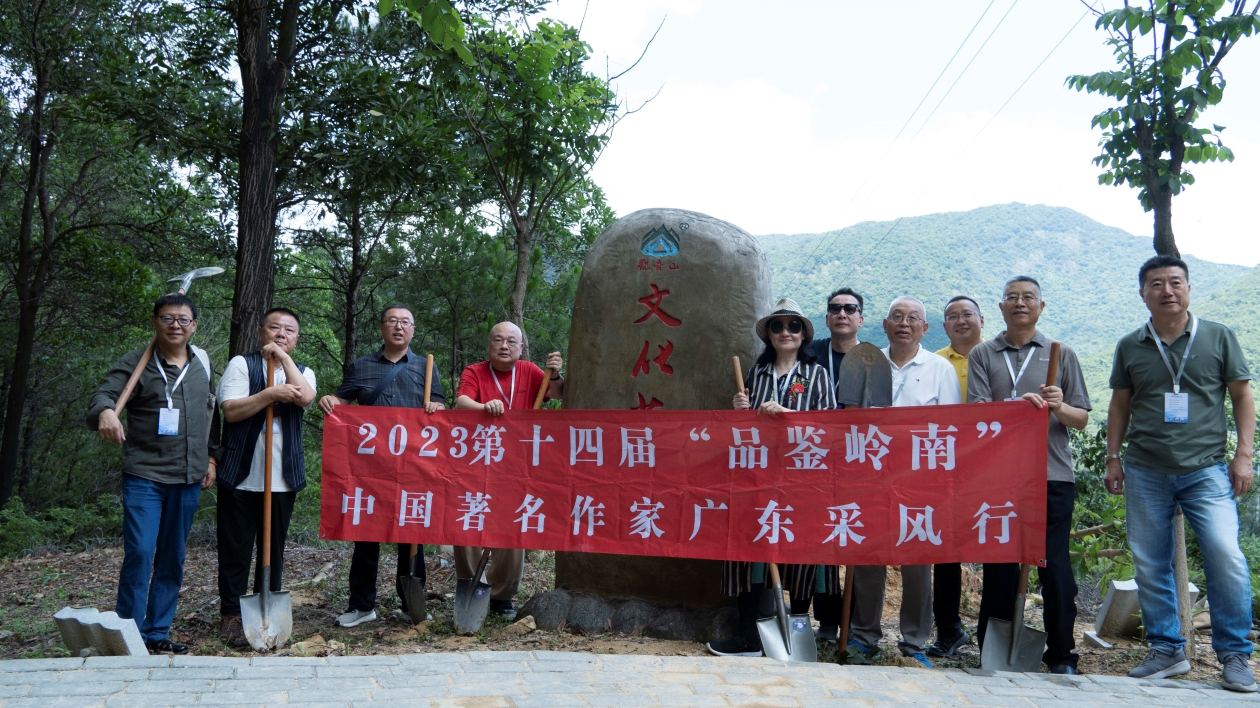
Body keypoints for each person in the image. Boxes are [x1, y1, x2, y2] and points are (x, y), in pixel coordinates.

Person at [1106, 255, 1256, 691]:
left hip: (1206, 469)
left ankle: (1234, 655)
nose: (1167, 290)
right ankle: (1167, 650)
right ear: (1143, 293)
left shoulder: (1217, 337)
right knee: (1150, 563)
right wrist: (1113, 457)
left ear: (1189, 288)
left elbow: (1243, 397)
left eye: (1175, 282)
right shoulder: (1130, 344)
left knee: (1225, 555)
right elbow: (1120, 404)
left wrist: (1242, 455)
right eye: (1156, 284)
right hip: (1145, 467)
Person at [969, 276, 1090, 675]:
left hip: (1052, 473)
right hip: (999, 476)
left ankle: (1061, 655)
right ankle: (992, 650)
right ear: (1000, 308)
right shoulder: (984, 354)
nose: (1020, 303)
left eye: (1028, 298)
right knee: (1000, 564)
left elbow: (1082, 419)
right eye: (1012, 298)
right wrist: (1016, 406)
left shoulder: (1062, 353)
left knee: (1054, 567)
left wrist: (1058, 406)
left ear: (1041, 306)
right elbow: (978, 414)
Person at [707, 297, 839, 657]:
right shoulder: (757, 374)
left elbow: (828, 428)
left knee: (800, 558)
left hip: (802, 480)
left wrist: (788, 415)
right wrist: (741, 413)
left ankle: (797, 633)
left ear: (803, 334)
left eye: (793, 326)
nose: (785, 332)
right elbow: (746, 431)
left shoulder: (818, 375)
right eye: (778, 326)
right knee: (751, 552)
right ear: (769, 333)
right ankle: (749, 638)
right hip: (758, 479)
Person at [88, 293, 218, 654]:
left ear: (194, 325)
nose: (175, 325)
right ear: (154, 322)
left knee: (172, 557)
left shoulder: (202, 364)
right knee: (142, 552)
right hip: (146, 475)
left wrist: (211, 459)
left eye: (183, 320)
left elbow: (212, 415)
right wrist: (105, 412)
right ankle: (129, 635)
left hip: (189, 477)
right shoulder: (136, 363)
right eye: (167, 319)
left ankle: (157, 632)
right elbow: (104, 394)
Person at [847, 296, 961, 668]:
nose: (904, 323)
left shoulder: (939, 368)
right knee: (867, 558)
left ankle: (914, 642)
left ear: (925, 329)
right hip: (870, 476)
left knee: (917, 561)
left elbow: (949, 431)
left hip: (920, 481)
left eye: (913, 318)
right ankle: (864, 636)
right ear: (884, 324)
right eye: (897, 317)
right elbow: (847, 421)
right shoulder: (864, 362)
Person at [318, 304, 445, 628]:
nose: (399, 327)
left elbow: (441, 408)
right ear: (381, 327)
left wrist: (436, 406)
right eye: (392, 321)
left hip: (414, 468)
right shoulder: (361, 367)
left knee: (412, 533)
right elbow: (341, 404)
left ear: (413, 330)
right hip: (369, 469)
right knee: (366, 535)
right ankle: (362, 605)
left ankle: (411, 604)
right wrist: (330, 401)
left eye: (405, 322)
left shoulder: (426, 367)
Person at [215, 308, 317, 647]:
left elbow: (304, 397)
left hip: (282, 477)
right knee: (236, 548)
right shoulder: (241, 365)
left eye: (289, 331)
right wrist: (271, 395)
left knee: (273, 547)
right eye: (274, 328)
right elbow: (231, 410)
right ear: (261, 332)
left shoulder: (303, 372)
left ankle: (266, 606)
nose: (281, 334)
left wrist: (283, 362)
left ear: (296, 339)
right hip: (241, 474)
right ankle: (231, 613)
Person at [452, 322, 564, 619]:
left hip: (518, 464)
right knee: (467, 521)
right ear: (489, 345)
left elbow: (557, 392)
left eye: (511, 341)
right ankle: (471, 586)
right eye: (498, 340)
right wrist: (482, 407)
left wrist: (556, 371)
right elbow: (461, 401)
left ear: (521, 347)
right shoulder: (475, 371)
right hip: (477, 461)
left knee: (514, 526)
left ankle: (502, 595)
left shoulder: (529, 371)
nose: (504, 345)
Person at [928, 295, 984, 659]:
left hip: (989, 465)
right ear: (944, 326)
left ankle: (993, 632)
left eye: (967, 315)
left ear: (982, 319)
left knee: (996, 546)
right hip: (944, 466)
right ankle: (949, 630)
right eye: (952, 317)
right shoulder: (934, 363)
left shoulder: (996, 355)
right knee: (945, 550)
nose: (960, 321)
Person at [805, 287, 866, 399]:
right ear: (827, 319)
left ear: (860, 321)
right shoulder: (809, 352)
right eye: (835, 309)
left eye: (850, 309)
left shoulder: (873, 356)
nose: (842, 314)